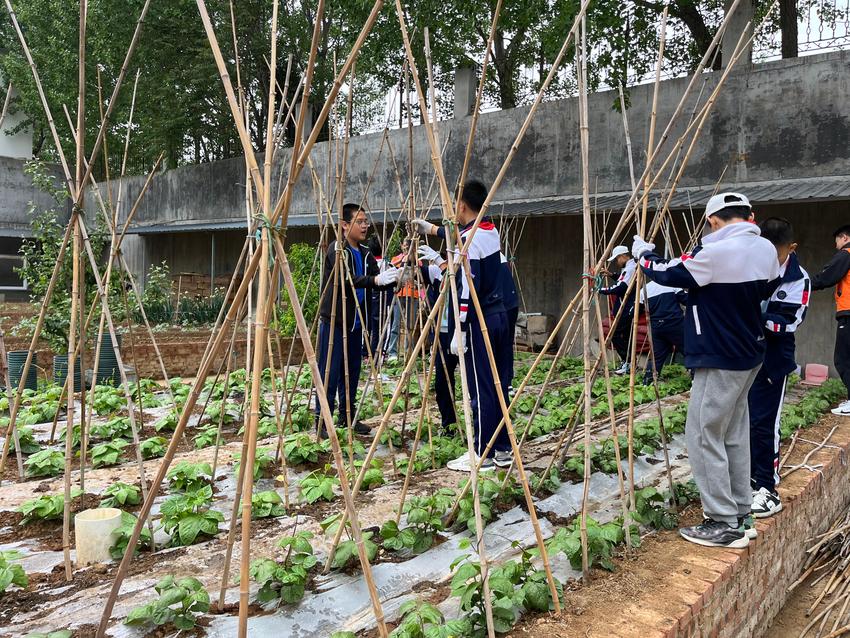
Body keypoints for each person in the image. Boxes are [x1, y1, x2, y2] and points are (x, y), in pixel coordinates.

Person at [632, 192, 780, 549]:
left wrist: (642, 254)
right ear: (750, 215)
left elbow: (667, 273)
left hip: (719, 355)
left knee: (702, 433)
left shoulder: (715, 252)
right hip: (749, 352)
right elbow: (764, 287)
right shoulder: (766, 251)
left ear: (713, 221)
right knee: (733, 432)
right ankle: (742, 513)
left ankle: (722, 522)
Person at [413, 180, 512, 471]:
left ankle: (481, 451)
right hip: (499, 315)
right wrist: (432, 230)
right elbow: (457, 233)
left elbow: (468, 288)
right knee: (498, 385)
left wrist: (460, 328)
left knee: (480, 388)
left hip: (479, 320)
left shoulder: (468, 242)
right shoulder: (489, 230)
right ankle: (502, 447)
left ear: (461, 205)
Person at [315, 204, 399, 437]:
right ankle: (322, 421)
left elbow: (376, 278)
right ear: (344, 225)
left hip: (355, 323)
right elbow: (348, 279)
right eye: (359, 221)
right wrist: (376, 281)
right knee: (329, 373)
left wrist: (396, 277)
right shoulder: (337, 249)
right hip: (335, 321)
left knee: (351, 372)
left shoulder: (365, 252)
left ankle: (347, 417)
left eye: (365, 222)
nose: (364, 226)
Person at [748, 217, 810, 519]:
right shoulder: (751, 267)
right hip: (743, 357)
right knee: (741, 421)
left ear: (791, 248)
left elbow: (788, 323)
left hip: (772, 360)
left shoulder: (799, 279)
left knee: (764, 422)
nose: (769, 261)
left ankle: (767, 488)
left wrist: (753, 319)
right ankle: (748, 478)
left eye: (776, 254)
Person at [417, 244, 458, 433]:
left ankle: (481, 427)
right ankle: (448, 424)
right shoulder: (435, 271)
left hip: (466, 329)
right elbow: (415, 274)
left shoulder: (468, 266)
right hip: (442, 333)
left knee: (474, 381)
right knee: (442, 381)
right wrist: (411, 257)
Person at [811, 225, 850, 416]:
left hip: (849, 312)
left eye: (836, 239)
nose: (836, 244)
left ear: (844, 237)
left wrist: (803, 284)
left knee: (843, 359)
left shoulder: (846, 254)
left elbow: (827, 277)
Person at [639, 280, 686, 385]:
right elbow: (686, 299)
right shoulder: (672, 283)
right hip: (675, 324)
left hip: (657, 327)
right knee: (688, 350)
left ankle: (647, 381)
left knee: (657, 356)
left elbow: (635, 311)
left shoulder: (644, 290)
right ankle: (695, 379)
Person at [599, 245, 637, 374]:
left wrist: (600, 290)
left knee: (615, 335)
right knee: (626, 337)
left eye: (617, 259)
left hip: (626, 308)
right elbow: (623, 280)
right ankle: (629, 364)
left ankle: (628, 362)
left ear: (623, 256)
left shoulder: (630, 268)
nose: (617, 262)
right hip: (625, 307)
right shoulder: (629, 268)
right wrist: (611, 275)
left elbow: (621, 288)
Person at [385, 239, 422, 362]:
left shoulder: (418, 261)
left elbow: (420, 276)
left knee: (410, 326)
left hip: (413, 294)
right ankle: (392, 352)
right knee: (395, 324)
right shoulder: (396, 259)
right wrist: (404, 260)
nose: (406, 249)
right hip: (399, 294)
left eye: (409, 247)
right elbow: (393, 273)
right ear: (402, 246)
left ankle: (408, 352)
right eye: (405, 246)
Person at [366, 234, 392, 359]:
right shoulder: (386, 264)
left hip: (370, 296)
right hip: (384, 296)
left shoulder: (368, 261)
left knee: (369, 326)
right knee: (383, 326)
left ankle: (366, 352)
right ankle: (380, 352)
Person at [501, 252, 519, 392]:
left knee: (503, 345)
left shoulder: (488, 254)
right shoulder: (499, 256)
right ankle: (506, 382)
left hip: (504, 306)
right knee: (506, 345)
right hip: (508, 304)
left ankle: (505, 381)